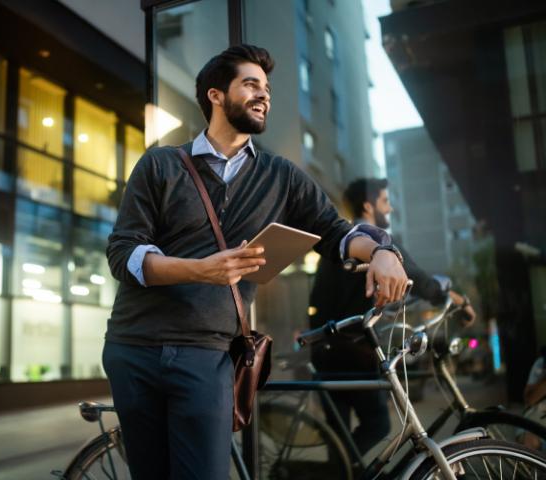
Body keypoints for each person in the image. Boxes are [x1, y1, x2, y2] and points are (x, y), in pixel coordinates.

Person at [104, 45, 408, 480]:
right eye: (251, 84)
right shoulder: (161, 164)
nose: (264, 95)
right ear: (215, 95)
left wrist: (382, 251)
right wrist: (202, 268)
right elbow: (122, 251)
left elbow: (338, 232)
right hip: (133, 348)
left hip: (207, 354)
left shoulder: (281, 177)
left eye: (266, 88)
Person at [309, 177, 476, 456]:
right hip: (356, 355)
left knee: (338, 440)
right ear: (368, 205)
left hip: (325, 351)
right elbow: (418, 279)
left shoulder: (339, 243)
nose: (391, 209)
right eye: (385, 202)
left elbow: (317, 301)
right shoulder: (373, 240)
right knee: (377, 424)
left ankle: (339, 470)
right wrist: (459, 299)